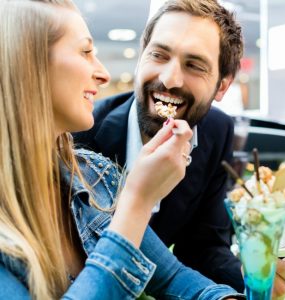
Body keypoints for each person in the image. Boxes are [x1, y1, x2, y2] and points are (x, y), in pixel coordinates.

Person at [0, 0, 247, 299]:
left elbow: (174, 277)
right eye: (86, 51)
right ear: (28, 65)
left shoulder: (93, 174)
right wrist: (138, 201)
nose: (104, 74)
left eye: (194, 65)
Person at [73, 0, 285, 297]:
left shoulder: (217, 131)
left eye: (194, 65)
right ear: (141, 57)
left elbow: (202, 247)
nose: (169, 79)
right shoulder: (79, 134)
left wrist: (251, 275)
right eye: (159, 54)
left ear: (222, 86)